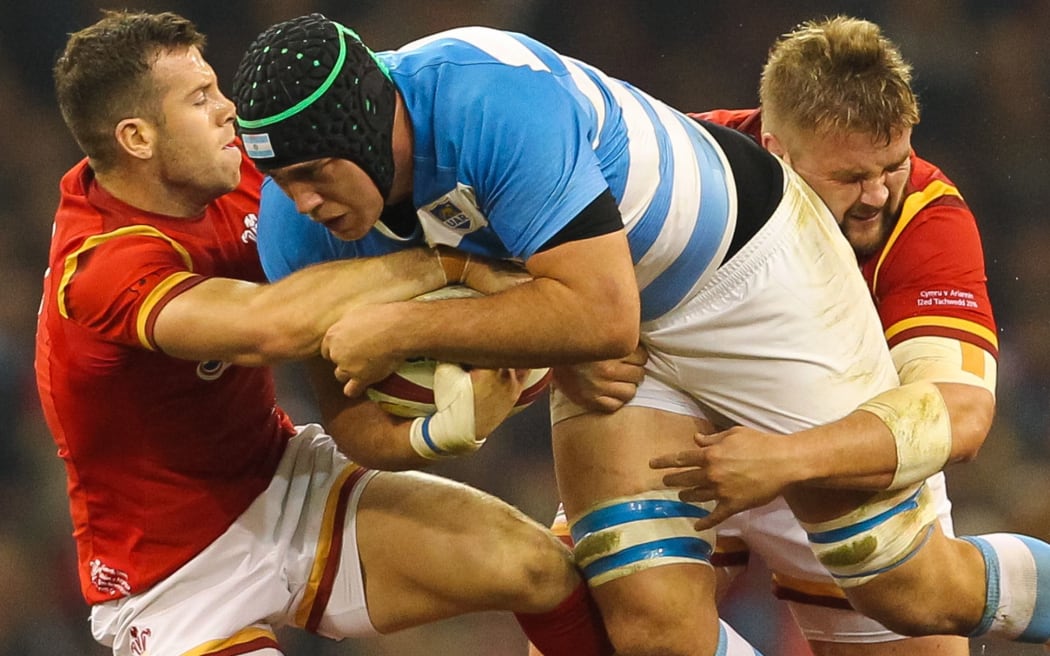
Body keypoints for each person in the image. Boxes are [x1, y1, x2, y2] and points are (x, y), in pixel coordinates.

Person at [231, 14, 1050, 656]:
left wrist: (417, 325)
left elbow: (600, 313)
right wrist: (455, 420)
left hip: (750, 284)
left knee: (910, 593)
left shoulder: (493, 98)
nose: (300, 201)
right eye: (280, 180)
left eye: (313, 173)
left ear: (374, 124)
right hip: (618, 343)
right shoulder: (297, 232)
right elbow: (355, 427)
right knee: (648, 629)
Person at [37, 10, 614, 655]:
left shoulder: (248, 182)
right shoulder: (98, 264)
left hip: (287, 483)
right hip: (171, 576)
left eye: (217, 88)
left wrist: (559, 341)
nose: (230, 111)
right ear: (137, 137)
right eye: (200, 99)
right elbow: (266, 329)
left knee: (536, 568)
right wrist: (441, 266)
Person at [552, 15, 997, 656]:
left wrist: (784, 460)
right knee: (594, 626)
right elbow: (537, 269)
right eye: (849, 178)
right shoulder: (685, 166)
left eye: (893, 164)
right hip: (681, 432)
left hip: (838, 451)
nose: (877, 195)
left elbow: (963, 415)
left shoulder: (928, 218)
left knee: (922, 622)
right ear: (776, 149)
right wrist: (569, 355)